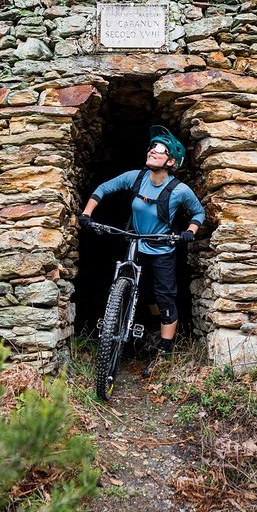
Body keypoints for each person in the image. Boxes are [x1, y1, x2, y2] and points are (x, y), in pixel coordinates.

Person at [79, 126, 205, 377]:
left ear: (171, 161)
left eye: (159, 149)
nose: (152, 151)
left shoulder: (179, 190)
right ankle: (139, 328)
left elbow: (199, 212)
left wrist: (190, 231)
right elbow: (103, 188)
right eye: (151, 147)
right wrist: (86, 213)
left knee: (164, 298)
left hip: (162, 249)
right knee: (143, 294)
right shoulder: (136, 177)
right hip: (135, 244)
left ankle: (164, 352)